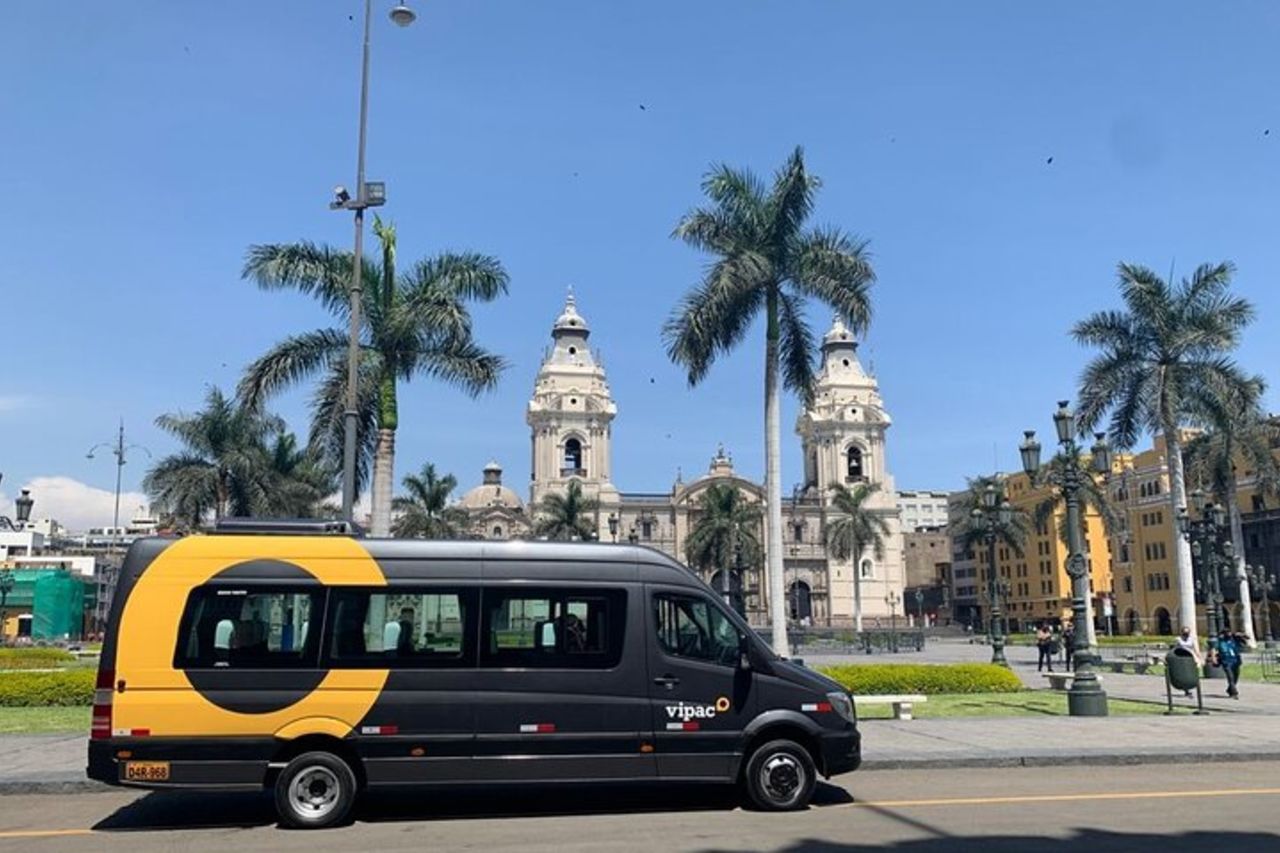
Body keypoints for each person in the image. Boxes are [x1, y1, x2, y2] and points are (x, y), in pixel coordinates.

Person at [1174, 626, 1200, 697]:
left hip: (1191, 657)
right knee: (1184, 673)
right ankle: (1186, 690)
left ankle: (1193, 685)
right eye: (1184, 632)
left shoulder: (1192, 639)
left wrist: (1199, 657)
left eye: (1187, 632)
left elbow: (1195, 649)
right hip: (1182, 657)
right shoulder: (1178, 639)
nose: (1186, 634)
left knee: (1192, 672)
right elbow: (1175, 648)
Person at [1218, 630, 1242, 699]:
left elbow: (1246, 639)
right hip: (1227, 662)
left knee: (1236, 677)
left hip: (1236, 661)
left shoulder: (1233, 641)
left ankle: (1229, 689)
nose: (1229, 634)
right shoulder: (1221, 642)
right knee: (1230, 678)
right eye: (1227, 633)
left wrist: (1239, 635)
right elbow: (1215, 649)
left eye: (1229, 633)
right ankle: (1234, 693)